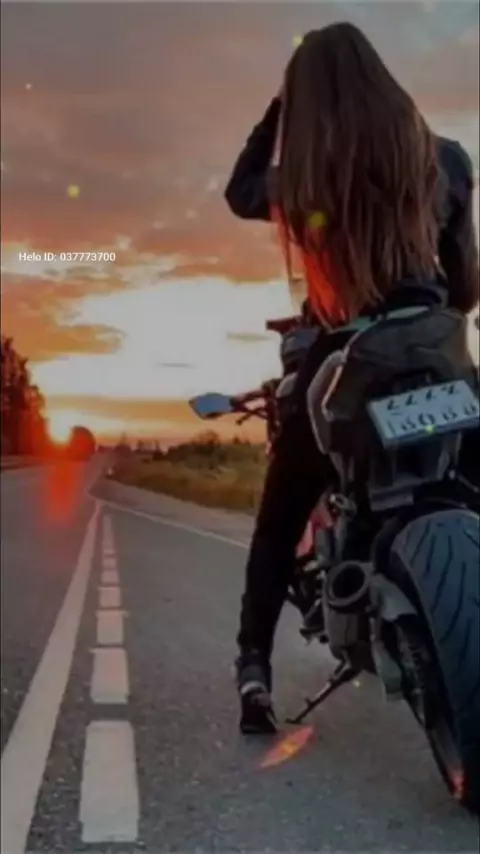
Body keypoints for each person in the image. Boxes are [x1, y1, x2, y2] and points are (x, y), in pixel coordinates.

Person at [223, 23, 479, 735]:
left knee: (281, 518)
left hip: (347, 360)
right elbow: (465, 289)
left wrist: (279, 111)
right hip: (438, 350)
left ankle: (254, 669)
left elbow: (239, 190)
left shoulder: (304, 180)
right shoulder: (446, 160)